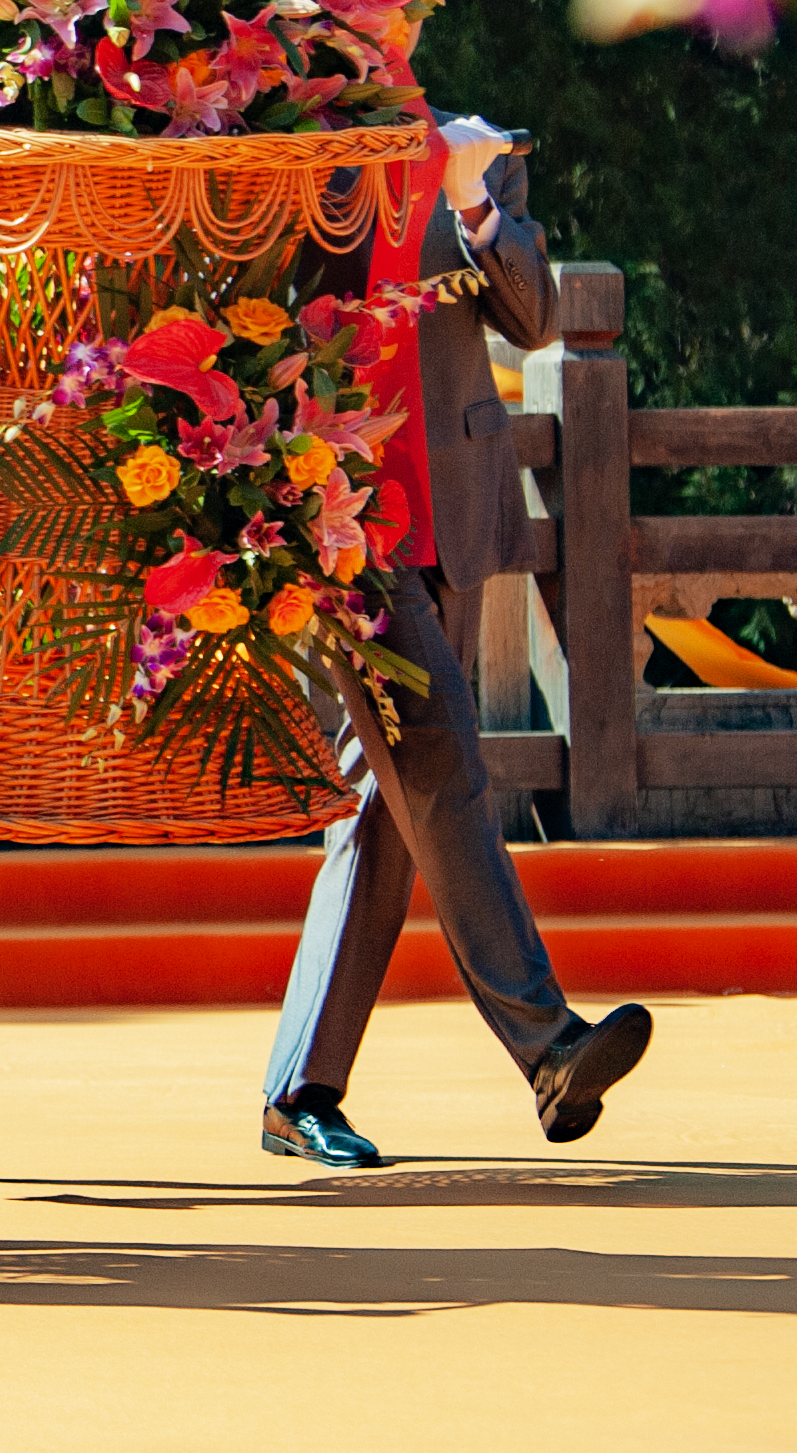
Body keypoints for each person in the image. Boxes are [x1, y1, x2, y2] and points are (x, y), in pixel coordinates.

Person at [260, 115, 652, 1164]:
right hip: (339, 523)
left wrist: (475, 199)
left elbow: (531, 320)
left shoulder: (480, 152)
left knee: (385, 812)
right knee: (439, 768)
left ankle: (299, 1088)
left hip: (450, 511)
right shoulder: (286, 144)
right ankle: (544, 1042)